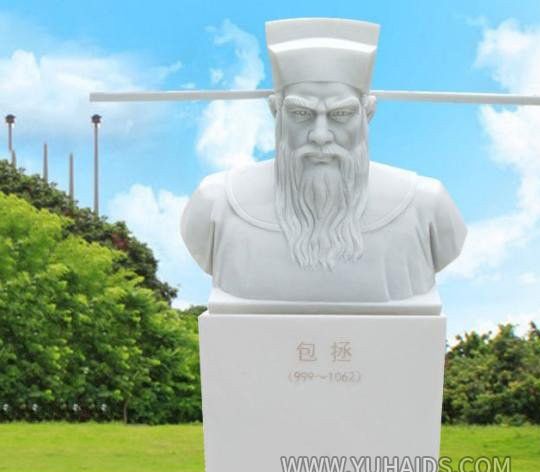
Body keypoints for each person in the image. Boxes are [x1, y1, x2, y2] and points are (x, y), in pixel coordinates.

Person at [181, 18, 466, 305]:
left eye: (340, 115)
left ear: (367, 113)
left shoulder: (426, 205)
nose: (320, 135)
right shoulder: (216, 203)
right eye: (301, 114)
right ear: (276, 112)